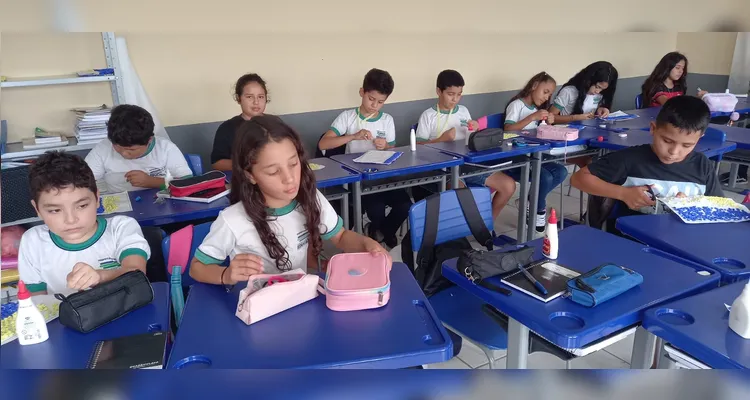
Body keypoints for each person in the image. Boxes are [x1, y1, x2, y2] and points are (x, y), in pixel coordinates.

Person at [189, 116, 391, 285]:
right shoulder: (233, 220)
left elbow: (340, 237)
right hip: (257, 312)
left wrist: (367, 244)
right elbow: (197, 268)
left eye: (294, 164)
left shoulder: (310, 198)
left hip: (297, 301)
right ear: (250, 175)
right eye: (274, 171)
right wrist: (226, 275)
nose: (290, 178)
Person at [570, 96, 723, 235]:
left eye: (687, 145)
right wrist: (623, 193)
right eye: (667, 141)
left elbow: (718, 207)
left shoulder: (702, 165)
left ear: (700, 139)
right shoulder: (631, 159)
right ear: (653, 128)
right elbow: (578, 179)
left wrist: (692, 204)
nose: (674, 152)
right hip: (632, 242)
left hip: (681, 242)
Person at [17, 151, 150, 295]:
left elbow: (136, 274)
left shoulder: (121, 228)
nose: (71, 220)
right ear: (37, 209)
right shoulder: (33, 241)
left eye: (82, 206)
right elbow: (36, 299)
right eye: (55, 210)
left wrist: (100, 276)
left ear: (97, 198)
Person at [318, 68, 410, 248]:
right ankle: (380, 232)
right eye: (371, 99)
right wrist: (352, 136)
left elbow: (393, 150)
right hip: (359, 179)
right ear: (362, 92)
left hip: (382, 176)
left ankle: (382, 232)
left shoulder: (387, 120)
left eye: (380, 102)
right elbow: (323, 144)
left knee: (405, 205)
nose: (374, 105)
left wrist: (386, 146)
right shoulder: (348, 117)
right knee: (376, 209)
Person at [415, 70, 516, 218]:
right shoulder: (428, 115)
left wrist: (475, 130)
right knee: (461, 195)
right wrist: (441, 139)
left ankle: (487, 225)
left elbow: (472, 139)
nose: (455, 99)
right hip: (445, 169)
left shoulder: (463, 111)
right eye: (450, 94)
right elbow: (417, 147)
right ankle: (462, 230)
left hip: (469, 164)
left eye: (459, 94)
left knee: (508, 186)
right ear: (438, 91)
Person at [504, 72, 568, 232]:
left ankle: (529, 201)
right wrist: (532, 117)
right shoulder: (517, 105)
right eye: (545, 92)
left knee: (561, 171)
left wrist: (549, 124)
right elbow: (507, 129)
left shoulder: (538, 110)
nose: (547, 98)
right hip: (516, 158)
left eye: (550, 94)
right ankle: (537, 210)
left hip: (535, 156)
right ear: (534, 86)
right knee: (544, 176)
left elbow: (539, 132)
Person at [84, 104, 193, 193]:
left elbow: (188, 183)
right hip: (120, 205)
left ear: (149, 141)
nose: (124, 154)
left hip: (162, 204)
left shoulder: (166, 149)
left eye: (132, 150)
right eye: (117, 147)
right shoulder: (103, 148)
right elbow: (82, 180)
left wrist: (152, 181)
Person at [211, 73, 269, 171]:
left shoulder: (275, 123)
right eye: (249, 97)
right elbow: (217, 163)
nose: (256, 102)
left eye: (260, 97)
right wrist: (247, 164)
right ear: (239, 98)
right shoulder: (227, 128)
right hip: (242, 181)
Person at [549, 61, 618, 123]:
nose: (598, 91)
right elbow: (550, 117)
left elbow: (591, 111)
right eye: (597, 87)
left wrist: (600, 110)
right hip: (567, 132)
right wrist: (575, 118)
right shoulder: (568, 92)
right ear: (588, 80)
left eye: (602, 89)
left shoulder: (599, 94)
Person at [641, 52, 707, 108]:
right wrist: (695, 101)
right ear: (667, 67)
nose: (681, 71)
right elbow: (669, 104)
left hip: (672, 119)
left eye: (682, 68)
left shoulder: (678, 85)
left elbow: (681, 104)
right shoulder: (656, 85)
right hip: (656, 120)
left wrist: (700, 98)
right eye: (677, 68)